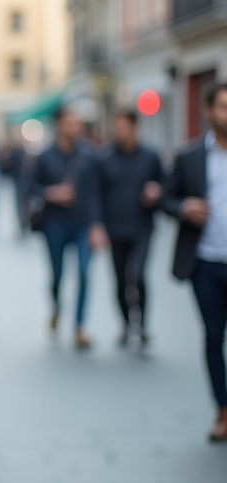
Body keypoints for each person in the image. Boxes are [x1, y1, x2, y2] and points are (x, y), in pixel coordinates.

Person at [161, 82, 227, 442]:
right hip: (205, 262)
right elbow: (165, 199)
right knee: (214, 336)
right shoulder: (189, 157)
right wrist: (183, 206)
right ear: (208, 112)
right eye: (223, 107)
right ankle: (222, 409)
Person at [30, 106, 104, 349]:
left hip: (83, 223)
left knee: (84, 273)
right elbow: (30, 188)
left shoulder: (89, 155)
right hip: (55, 224)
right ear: (60, 125)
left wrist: (96, 226)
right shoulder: (44, 156)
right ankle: (56, 306)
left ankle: (80, 326)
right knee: (57, 276)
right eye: (71, 122)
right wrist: (51, 193)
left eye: (78, 123)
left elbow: (95, 192)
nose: (76, 127)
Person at [92, 109, 164, 349]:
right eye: (115, 126)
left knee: (139, 275)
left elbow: (165, 185)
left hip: (142, 226)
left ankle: (142, 323)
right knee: (121, 279)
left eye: (122, 126)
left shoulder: (151, 156)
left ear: (134, 127)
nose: (118, 131)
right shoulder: (104, 158)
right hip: (115, 228)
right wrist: (98, 226)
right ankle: (125, 323)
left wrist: (157, 192)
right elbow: (97, 195)